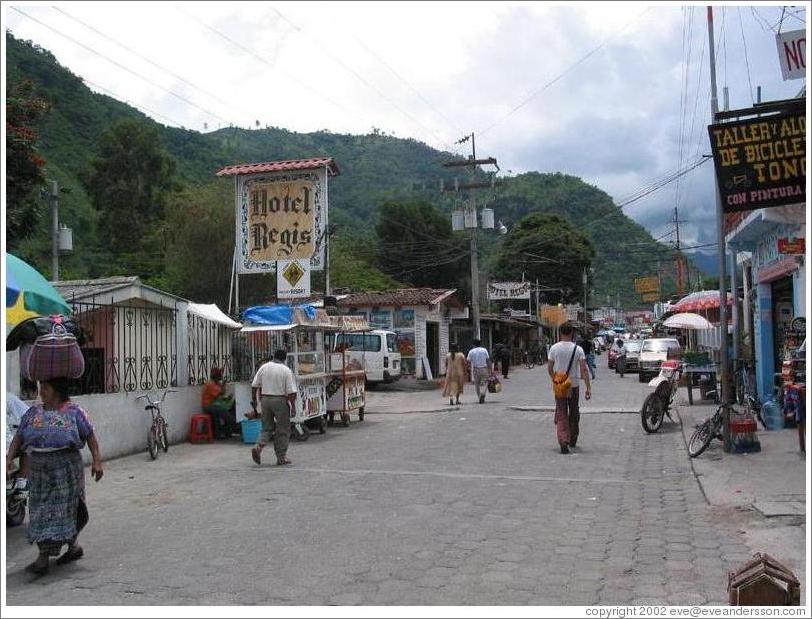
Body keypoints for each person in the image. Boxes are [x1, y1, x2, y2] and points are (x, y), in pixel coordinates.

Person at [6, 378, 104, 576]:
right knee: (40, 510)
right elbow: (19, 437)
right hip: (39, 469)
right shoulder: (33, 413)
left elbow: (90, 435)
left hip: (66, 468)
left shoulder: (75, 412)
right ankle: (55, 552)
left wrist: (97, 461)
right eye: (42, 388)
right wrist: (8, 458)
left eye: (46, 388)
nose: (42, 392)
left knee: (67, 509)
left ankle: (56, 553)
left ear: (57, 391)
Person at [547, 324, 592, 454]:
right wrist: (588, 388)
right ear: (572, 333)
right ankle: (573, 438)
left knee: (561, 412)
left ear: (560, 333)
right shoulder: (578, 349)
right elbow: (584, 369)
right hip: (574, 385)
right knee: (574, 412)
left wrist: (555, 380)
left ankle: (563, 440)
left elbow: (550, 369)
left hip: (560, 385)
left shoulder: (554, 348)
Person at [250, 349, 297, 466]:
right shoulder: (286, 370)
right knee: (283, 429)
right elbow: (291, 392)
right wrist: (293, 406)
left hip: (265, 399)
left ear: (273, 356)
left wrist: (255, 401)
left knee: (266, 428)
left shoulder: (264, 367)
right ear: (285, 358)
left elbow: (254, 385)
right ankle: (281, 457)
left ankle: (258, 446)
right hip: (280, 400)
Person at [201, 367, 234, 439]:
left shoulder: (216, 383)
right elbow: (221, 392)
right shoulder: (211, 384)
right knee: (225, 413)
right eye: (220, 376)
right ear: (216, 377)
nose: (221, 378)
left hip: (212, 404)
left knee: (224, 411)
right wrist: (224, 384)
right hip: (208, 405)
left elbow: (222, 393)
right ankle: (226, 432)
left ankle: (222, 432)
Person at [466, 339, 492, 404]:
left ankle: (479, 396)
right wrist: (490, 369)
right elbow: (488, 360)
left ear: (474, 344)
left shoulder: (471, 351)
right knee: (485, 382)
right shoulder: (484, 350)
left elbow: (468, 361)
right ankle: (483, 393)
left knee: (477, 384)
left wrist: (468, 369)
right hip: (484, 368)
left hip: (475, 369)